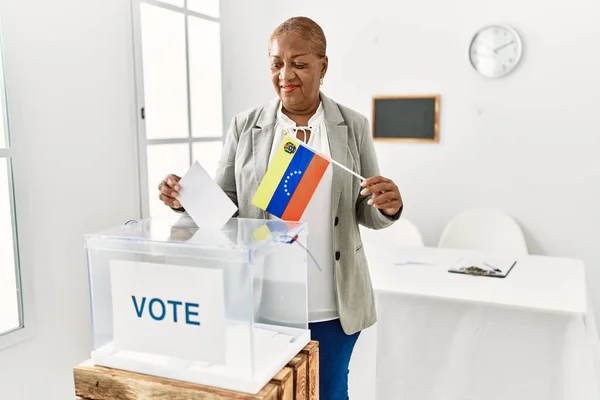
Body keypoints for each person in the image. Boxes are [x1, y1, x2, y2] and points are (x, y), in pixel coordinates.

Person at [158, 16, 403, 400]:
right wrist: (183, 198)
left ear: (323, 65)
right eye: (276, 63)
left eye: (300, 64)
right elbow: (225, 211)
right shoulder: (245, 126)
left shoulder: (351, 125)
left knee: (328, 392)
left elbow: (366, 209)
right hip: (263, 301)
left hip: (331, 305)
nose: (286, 74)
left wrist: (388, 207)